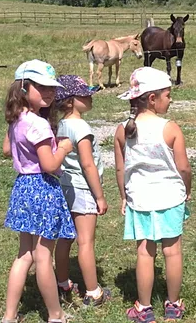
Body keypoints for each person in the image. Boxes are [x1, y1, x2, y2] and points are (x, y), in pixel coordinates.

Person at [0, 60, 76, 323]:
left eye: (51, 88)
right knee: (44, 256)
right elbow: (51, 165)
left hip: (23, 188)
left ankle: (9, 316)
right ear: (24, 88)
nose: (49, 93)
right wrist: (64, 148)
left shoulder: (16, 119)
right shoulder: (39, 124)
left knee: (25, 255)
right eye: (41, 87)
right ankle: (56, 315)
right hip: (42, 188)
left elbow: (7, 150)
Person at [113, 67, 192, 322]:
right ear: (152, 98)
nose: (170, 100)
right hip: (170, 197)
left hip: (140, 198)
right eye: (168, 95)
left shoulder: (122, 130)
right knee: (173, 251)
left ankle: (144, 309)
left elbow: (120, 168)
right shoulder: (170, 128)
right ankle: (173, 305)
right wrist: (186, 189)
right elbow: (183, 168)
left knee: (145, 253)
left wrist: (124, 196)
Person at [52, 75, 112, 308]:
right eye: (84, 94)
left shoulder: (62, 125)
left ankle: (62, 283)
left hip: (65, 187)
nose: (90, 97)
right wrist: (99, 196)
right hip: (83, 189)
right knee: (86, 241)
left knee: (66, 237)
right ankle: (93, 292)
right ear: (69, 101)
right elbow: (88, 164)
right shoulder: (81, 127)